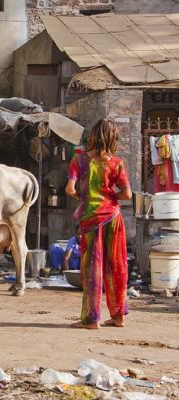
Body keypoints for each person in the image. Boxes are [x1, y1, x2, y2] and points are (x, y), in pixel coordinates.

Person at [65, 118, 132, 329]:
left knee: (92, 268)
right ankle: (119, 316)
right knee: (117, 266)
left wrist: (81, 196)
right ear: (113, 138)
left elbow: (69, 189)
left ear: (93, 135)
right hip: (113, 217)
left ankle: (91, 319)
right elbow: (127, 194)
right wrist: (110, 196)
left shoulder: (79, 160)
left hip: (91, 219)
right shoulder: (116, 163)